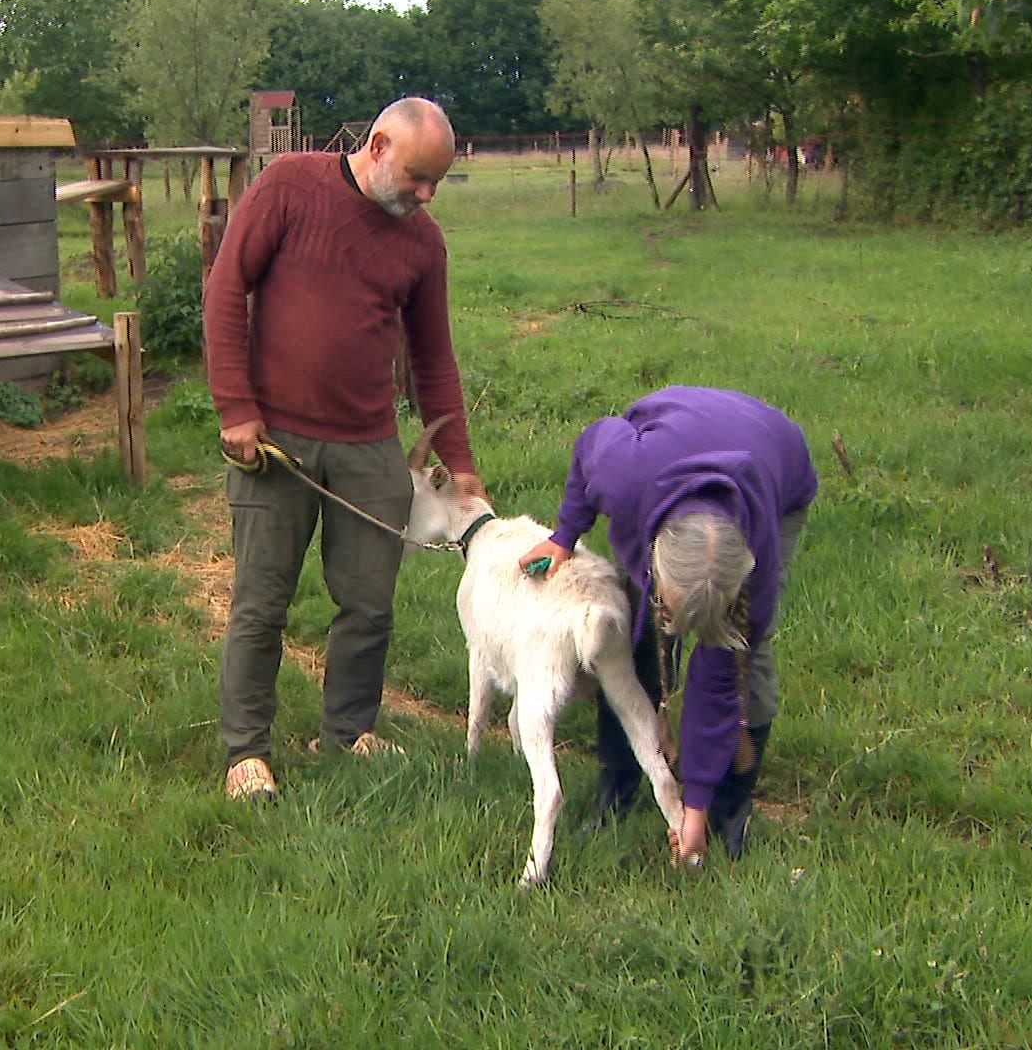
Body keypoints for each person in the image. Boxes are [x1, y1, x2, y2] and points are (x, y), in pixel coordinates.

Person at [206, 97, 485, 802]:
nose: (427, 195)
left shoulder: (422, 242)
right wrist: (236, 408)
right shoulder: (290, 187)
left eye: (437, 182)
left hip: (368, 445)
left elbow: (434, 357)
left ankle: (348, 731)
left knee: (369, 603)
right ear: (379, 145)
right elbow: (226, 288)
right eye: (418, 177)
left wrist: (461, 465)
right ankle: (247, 753)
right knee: (262, 602)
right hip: (275, 440)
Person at [518, 387, 817, 863]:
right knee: (629, 636)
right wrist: (565, 534)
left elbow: (718, 682)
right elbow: (591, 441)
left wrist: (692, 806)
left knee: (742, 658)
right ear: (653, 552)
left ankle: (728, 810)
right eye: (668, 602)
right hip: (669, 432)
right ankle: (618, 786)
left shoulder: (754, 567)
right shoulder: (625, 475)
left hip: (777, 460)